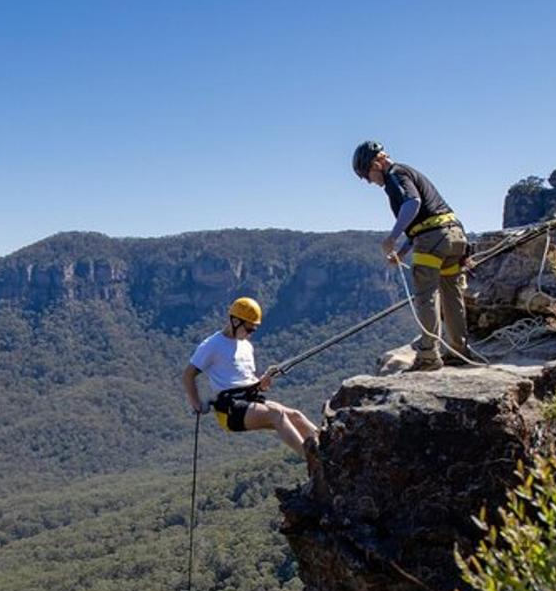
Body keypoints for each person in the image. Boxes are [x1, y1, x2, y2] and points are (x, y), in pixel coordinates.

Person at [352, 140, 471, 371]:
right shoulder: (407, 172)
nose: (370, 181)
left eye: (367, 175)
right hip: (454, 236)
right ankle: (460, 350)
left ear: (376, 163)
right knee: (451, 294)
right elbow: (422, 223)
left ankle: (428, 356)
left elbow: (413, 203)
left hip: (433, 240)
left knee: (426, 295)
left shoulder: (396, 174)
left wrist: (392, 238)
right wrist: (403, 251)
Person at [182, 297, 319, 458]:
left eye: (253, 330)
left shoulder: (246, 346)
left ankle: (326, 446)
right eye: (248, 329)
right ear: (235, 321)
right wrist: (196, 404)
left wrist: (262, 382)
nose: (249, 334)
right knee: (276, 414)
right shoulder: (212, 345)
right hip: (230, 410)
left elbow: (248, 381)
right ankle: (311, 460)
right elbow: (188, 375)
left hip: (249, 401)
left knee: (296, 416)